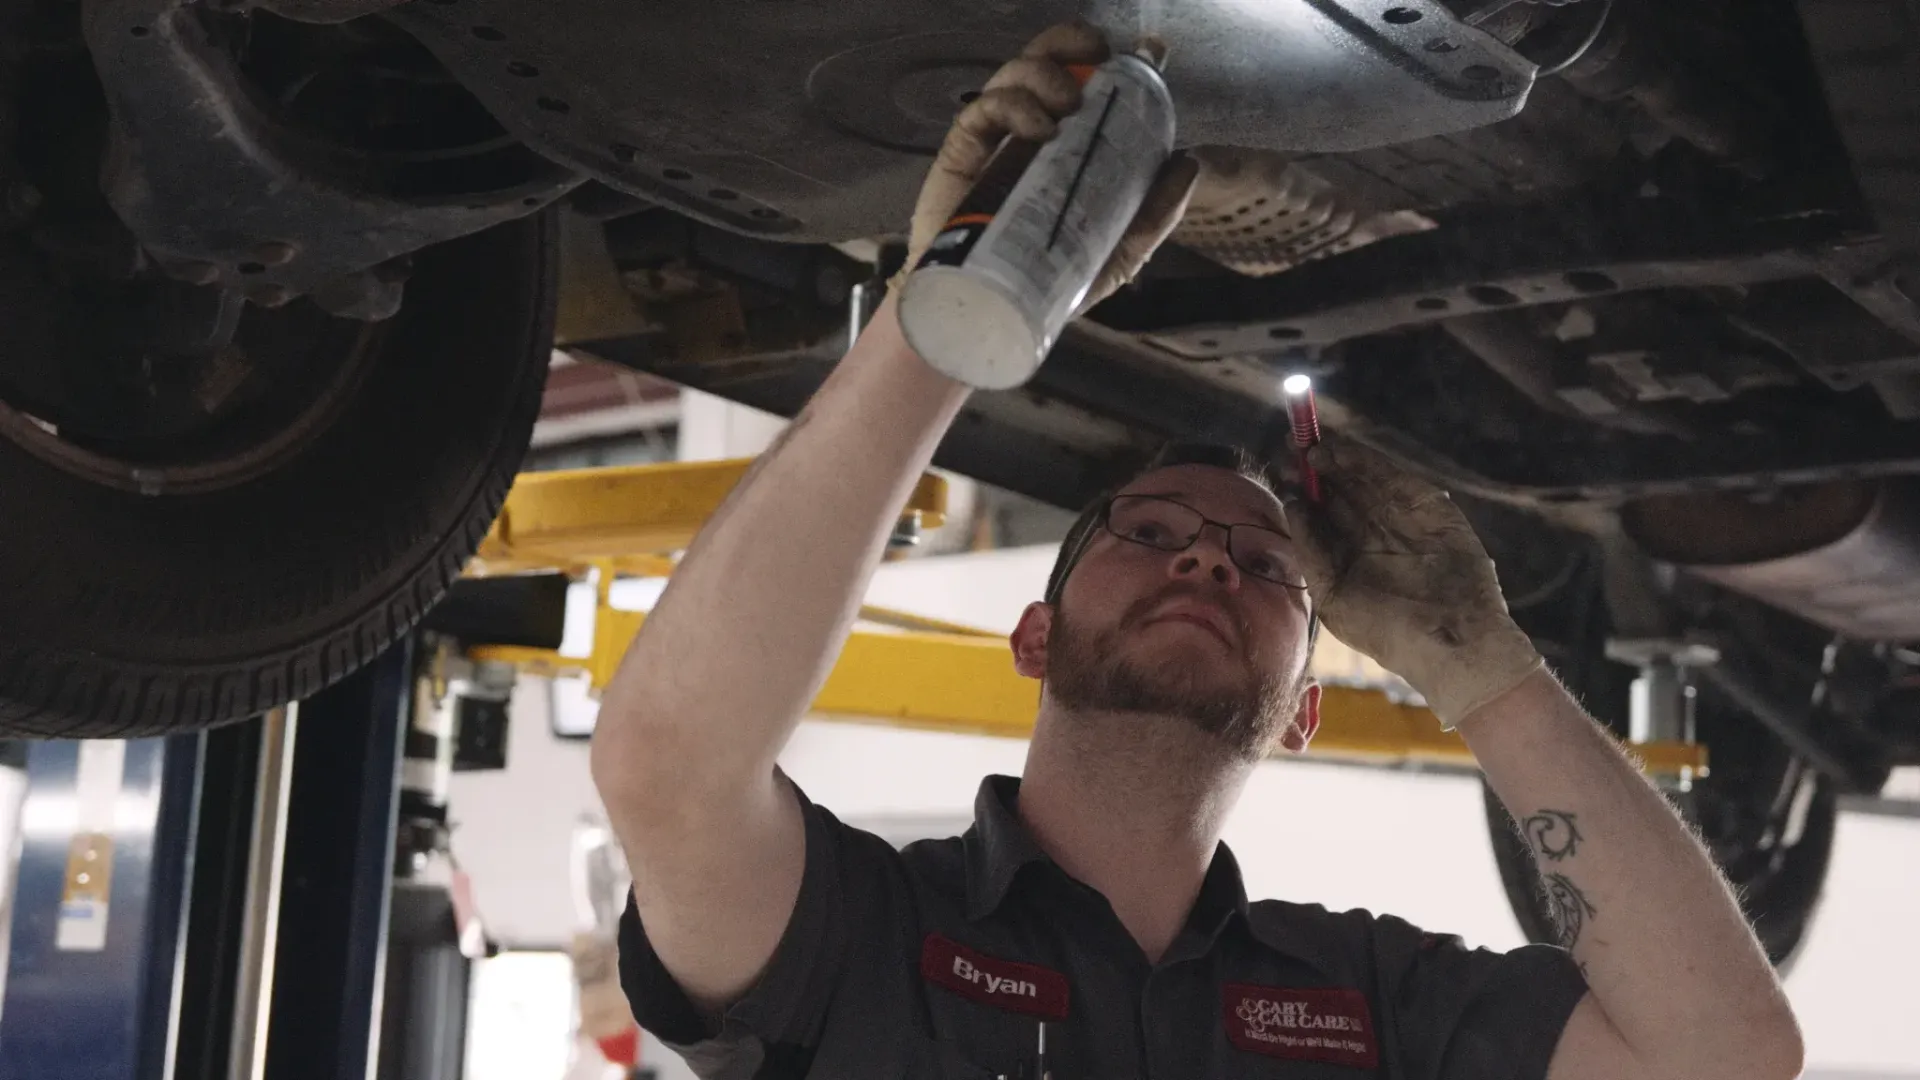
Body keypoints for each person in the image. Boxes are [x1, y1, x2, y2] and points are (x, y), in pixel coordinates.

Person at [589, 23, 1804, 1080]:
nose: (1211, 566)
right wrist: (948, 313)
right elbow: (666, 769)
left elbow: (1722, 1055)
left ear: (1302, 713)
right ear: (1036, 634)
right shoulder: (867, 937)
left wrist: (1482, 668)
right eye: (1154, 534)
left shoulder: (1367, 999)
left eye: (1267, 567)